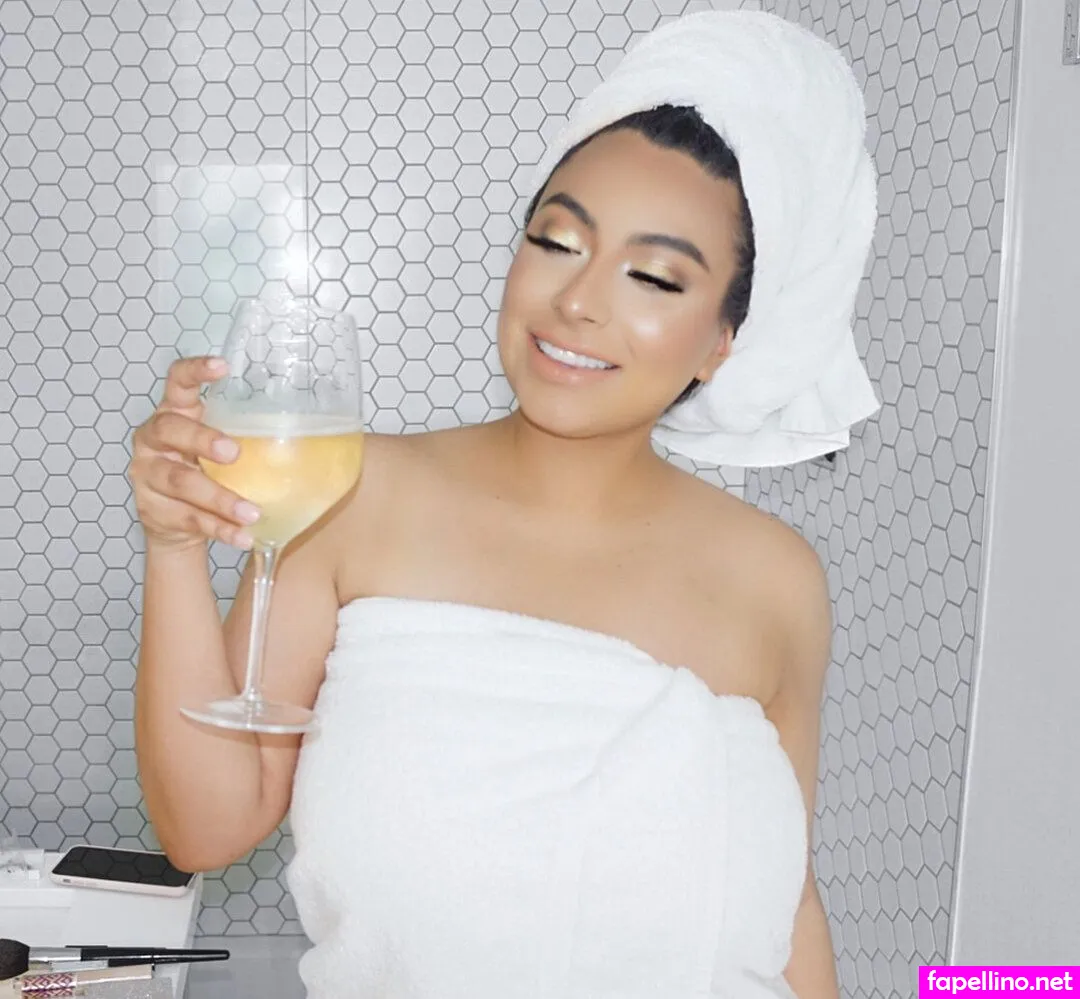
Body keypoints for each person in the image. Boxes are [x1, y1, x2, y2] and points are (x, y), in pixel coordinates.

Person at [130, 11, 877, 998]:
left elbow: (786, 901)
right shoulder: (356, 495)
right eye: (558, 240)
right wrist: (173, 545)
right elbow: (205, 828)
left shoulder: (776, 576)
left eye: (655, 277)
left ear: (721, 343)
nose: (580, 300)